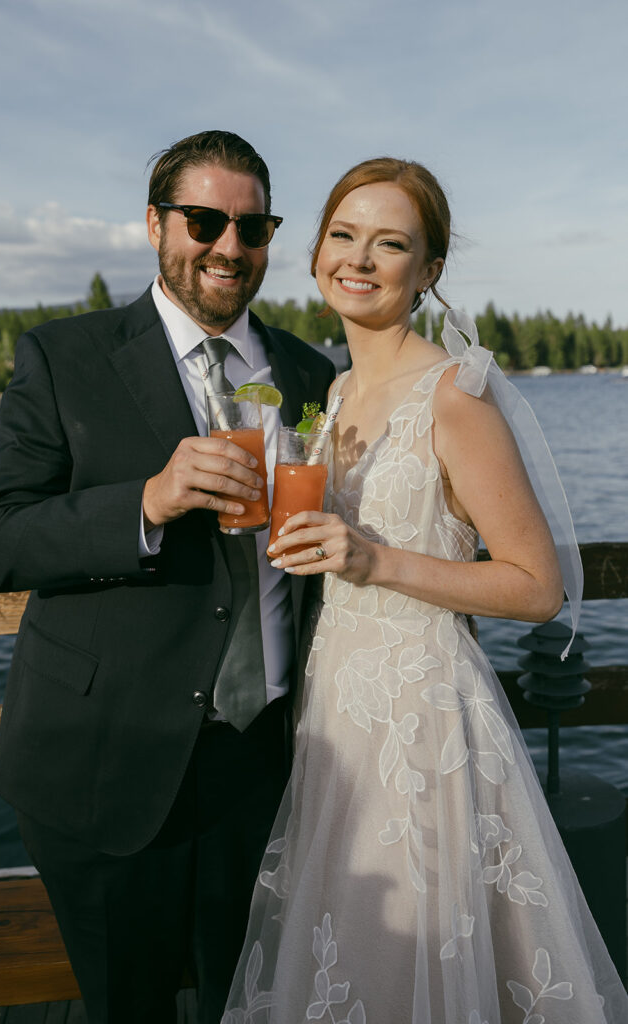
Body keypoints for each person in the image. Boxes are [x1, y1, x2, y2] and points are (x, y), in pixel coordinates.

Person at [222, 159, 628, 1023]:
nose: (359, 258)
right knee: (350, 953)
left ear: (428, 271)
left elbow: (534, 587)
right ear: (315, 252)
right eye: (343, 234)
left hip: (422, 715)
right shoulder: (330, 396)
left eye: (390, 242)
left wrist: (374, 561)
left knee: (421, 954)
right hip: (337, 705)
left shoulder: (453, 394)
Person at [0, 130, 335, 1024]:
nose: (229, 247)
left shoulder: (310, 373)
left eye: (254, 227)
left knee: (244, 1005)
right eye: (204, 220)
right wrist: (147, 502)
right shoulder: (64, 356)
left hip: (264, 767)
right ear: (154, 224)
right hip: (108, 764)